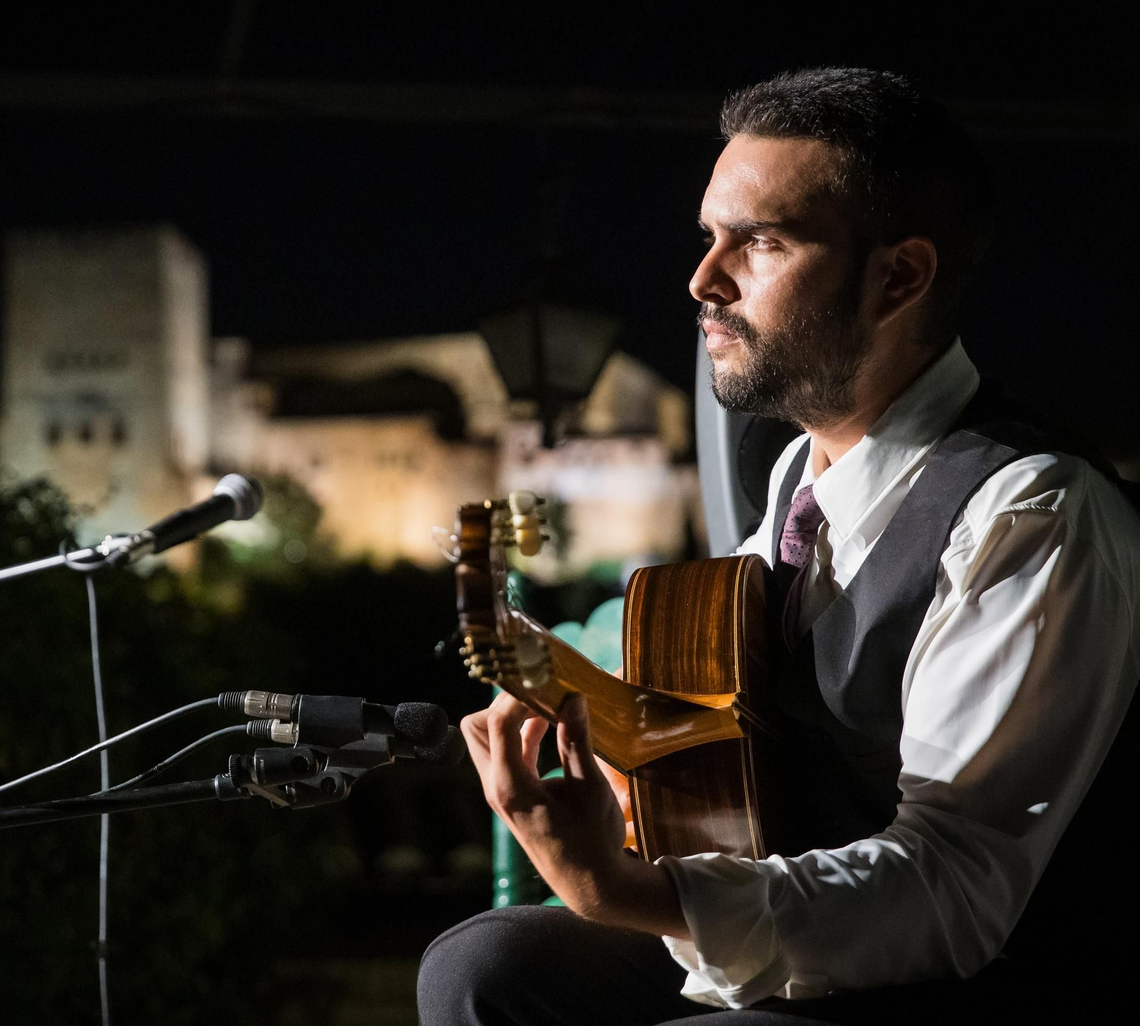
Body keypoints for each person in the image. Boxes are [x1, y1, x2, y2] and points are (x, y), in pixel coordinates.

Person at [418, 67, 1140, 1025]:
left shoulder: (1033, 510)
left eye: (759, 242)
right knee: (482, 970)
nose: (703, 280)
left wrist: (626, 891)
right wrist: (580, 706)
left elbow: (956, 888)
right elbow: (735, 719)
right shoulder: (801, 476)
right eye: (709, 236)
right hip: (817, 921)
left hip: (973, 979)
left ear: (900, 276)